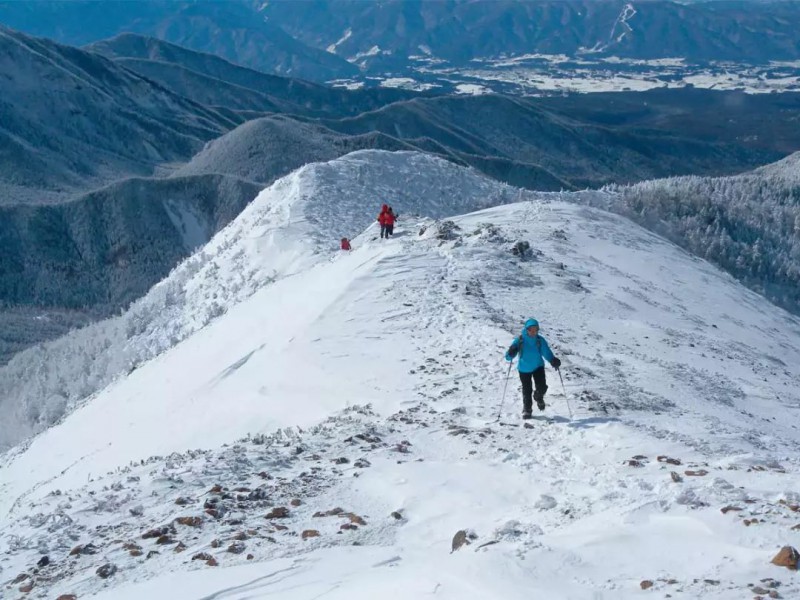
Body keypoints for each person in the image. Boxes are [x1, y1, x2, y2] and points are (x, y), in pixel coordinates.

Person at [504, 318, 561, 418]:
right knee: (527, 390)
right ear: (527, 329)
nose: (533, 332)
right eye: (531, 329)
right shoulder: (519, 340)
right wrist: (511, 352)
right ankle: (527, 409)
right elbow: (508, 357)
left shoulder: (540, 340)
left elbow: (546, 352)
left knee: (542, 387)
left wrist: (553, 360)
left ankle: (538, 397)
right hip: (524, 369)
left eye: (536, 329)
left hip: (538, 366)